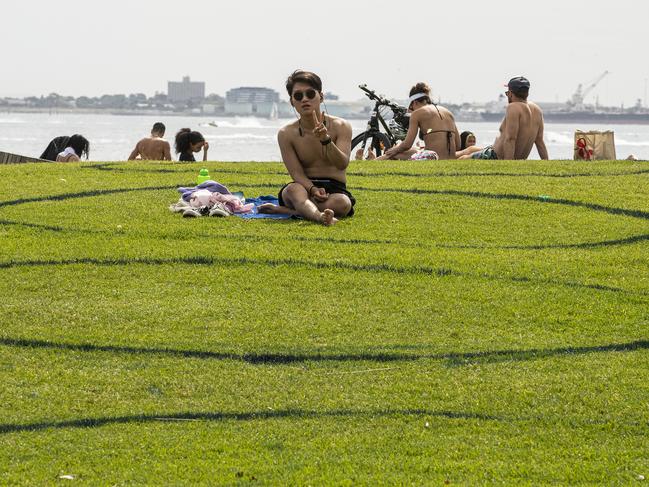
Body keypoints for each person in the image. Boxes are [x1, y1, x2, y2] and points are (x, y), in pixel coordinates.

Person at [260, 70, 354, 226]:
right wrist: (312, 189)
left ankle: (290, 211)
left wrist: (326, 140)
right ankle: (319, 217)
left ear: (321, 96)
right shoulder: (286, 134)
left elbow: (342, 164)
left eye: (310, 94)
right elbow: (296, 173)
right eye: (298, 96)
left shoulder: (341, 126)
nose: (304, 99)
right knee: (293, 191)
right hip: (303, 187)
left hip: (334, 189)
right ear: (292, 101)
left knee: (342, 203)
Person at [377, 82, 461, 161]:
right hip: (451, 158)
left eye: (411, 106)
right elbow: (458, 145)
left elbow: (407, 144)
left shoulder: (417, 113)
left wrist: (393, 150)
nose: (411, 110)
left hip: (433, 158)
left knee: (393, 154)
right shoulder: (448, 113)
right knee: (415, 150)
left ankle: (373, 161)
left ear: (415, 102)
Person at [471, 77, 549, 160]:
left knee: (463, 158)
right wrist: (546, 162)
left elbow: (511, 138)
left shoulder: (513, 107)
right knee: (470, 149)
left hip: (495, 156)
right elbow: (539, 141)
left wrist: (508, 163)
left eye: (507, 92)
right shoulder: (537, 109)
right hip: (495, 150)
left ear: (511, 93)